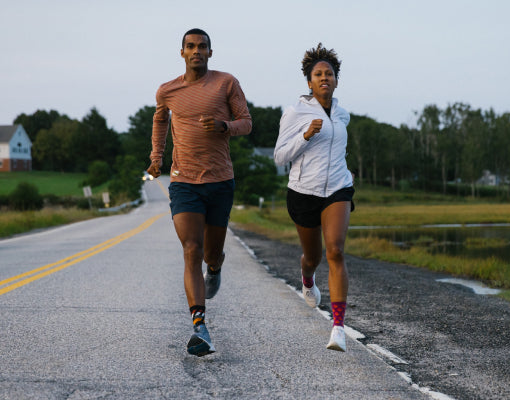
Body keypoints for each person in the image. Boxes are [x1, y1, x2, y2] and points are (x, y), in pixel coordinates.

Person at [147, 28, 252, 357]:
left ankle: (216, 268)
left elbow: (246, 122)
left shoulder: (226, 83)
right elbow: (160, 120)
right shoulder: (168, 90)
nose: (196, 51)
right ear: (182, 52)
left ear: (210, 51)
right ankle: (200, 327)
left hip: (220, 181)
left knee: (210, 253)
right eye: (190, 46)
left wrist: (225, 127)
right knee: (191, 248)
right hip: (184, 181)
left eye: (202, 47)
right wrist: (156, 159)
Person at [274, 43, 354, 352]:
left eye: (329, 74)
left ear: (336, 80)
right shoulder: (296, 113)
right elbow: (280, 156)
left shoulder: (343, 115)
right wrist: (305, 135)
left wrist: (346, 173)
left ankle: (338, 328)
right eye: (318, 74)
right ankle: (307, 277)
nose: (324, 78)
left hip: (337, 189)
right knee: (314, 257)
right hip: (303, 192)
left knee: (335, 251)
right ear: (309, 81)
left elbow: (337, 150)